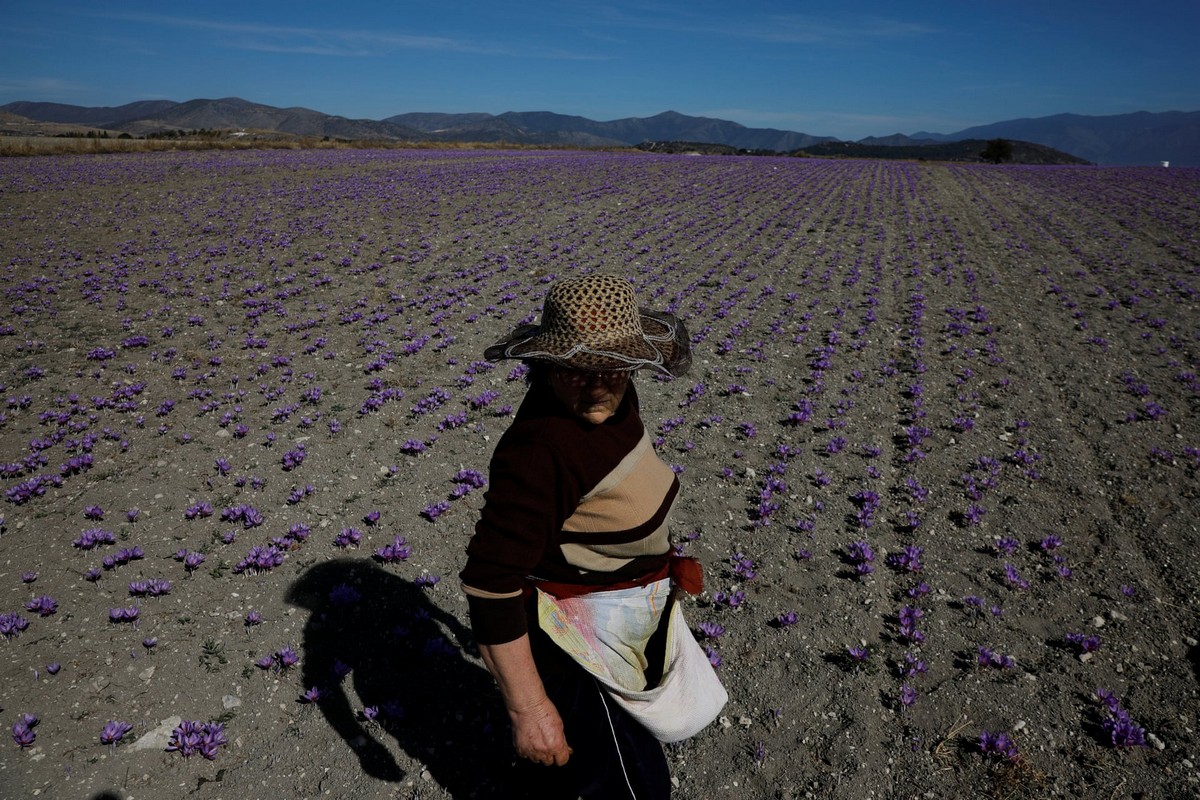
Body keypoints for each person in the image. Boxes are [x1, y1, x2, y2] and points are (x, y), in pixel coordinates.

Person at [459, 274, 704, 799]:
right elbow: (489, 583)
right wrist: (529, 709)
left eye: (612, 368)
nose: (597, 386)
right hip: (580, 643)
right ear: (546, 366)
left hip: (624, 612)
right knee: (633, 785)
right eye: (577, 371)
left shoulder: (612, 399)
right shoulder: (539, 453)